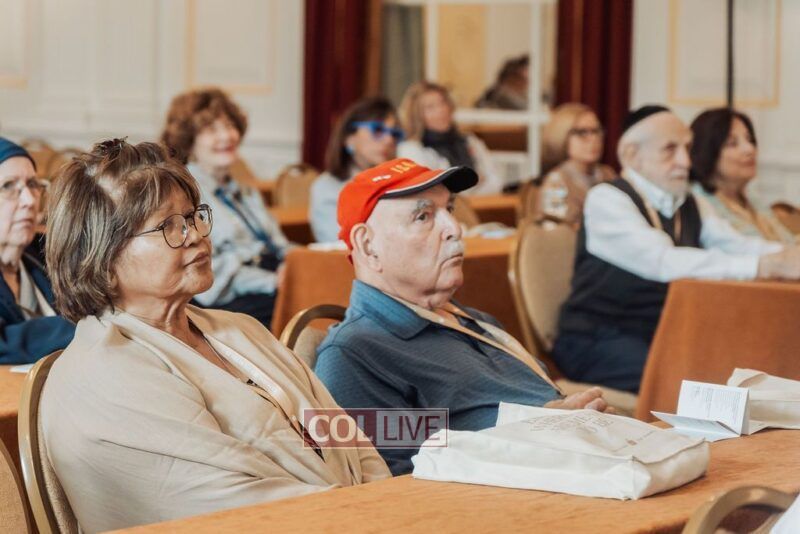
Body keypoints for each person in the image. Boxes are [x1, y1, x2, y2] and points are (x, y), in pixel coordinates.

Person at [40, 139, 389, 532]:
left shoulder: (240, 328)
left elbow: (351, 439)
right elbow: (233, 508)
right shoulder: (101, 376)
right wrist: (367, 516)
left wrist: (389, 507)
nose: (194, 235)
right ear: (101, 258)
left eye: (192, 217)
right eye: (168, 226)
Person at [314, 158, 611, 476]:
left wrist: (565, 419)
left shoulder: (473, 320)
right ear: (368, 245)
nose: (455, 228)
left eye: (450, 209)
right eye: (423, 216)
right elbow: (395, 483)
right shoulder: (353, 354)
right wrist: (537, 427)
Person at [552, 105, 800, 393]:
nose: (685, 162)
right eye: (670, 150)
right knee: (700, 387)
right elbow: (663, 261)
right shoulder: (606, 199)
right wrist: (765, 266)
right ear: (632, 155)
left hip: (665, 334)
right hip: (599, 339)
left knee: (749, 369)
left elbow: (737, 244)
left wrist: (785, 256)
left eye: (687, 149)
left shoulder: (689, 201)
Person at [161, 88, 289, 328]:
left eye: (230, 126)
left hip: (273, 280)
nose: (226, 136)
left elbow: (279, 244)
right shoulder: (184, 194)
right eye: (212, 130)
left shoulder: (245, 191)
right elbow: (212, 272)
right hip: (229, 297)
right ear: (189, 140)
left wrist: (303, 265)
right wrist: (274, 281)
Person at [0, 138, 74, 364]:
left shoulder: (43, 252)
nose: (29, 200)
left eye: (33, 184)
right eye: (8, 186)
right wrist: (83, 326)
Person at [690, 107, 794, 243]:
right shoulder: (699, 203)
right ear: (707, 151)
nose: (749, 149)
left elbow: (789, 242)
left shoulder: (751, 200)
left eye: (750, 140)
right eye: (732, 143)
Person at [310, 97, 400, 243]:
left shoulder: (400, 184)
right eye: (378, 130)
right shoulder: (327, 186)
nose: (389, 140)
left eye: (395, 134)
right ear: (349, 138)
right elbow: (340, 244)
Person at [398, 81, 504, 196]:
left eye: (443, 102)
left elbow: (496, 181)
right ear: (417, 115)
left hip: (482, 204)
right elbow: (432, 191)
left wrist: (460, 188)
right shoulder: (411, 148)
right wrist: (477, 181)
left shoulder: (469, 140)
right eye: (430, 107)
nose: (441, 110)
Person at [535, 103, 615, 225]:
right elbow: (554, 229)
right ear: (561, 136)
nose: (593, 139)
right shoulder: (556, 182)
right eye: (582, 132)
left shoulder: (608, 174)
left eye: (596, 131)